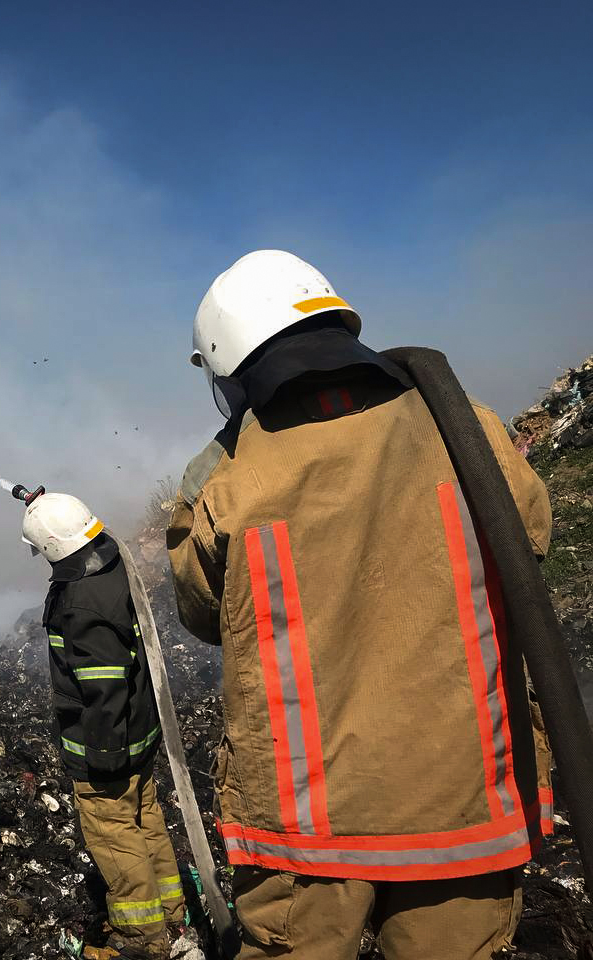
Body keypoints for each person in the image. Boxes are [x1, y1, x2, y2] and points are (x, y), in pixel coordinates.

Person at [168, 249, 554, 960]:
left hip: (306, 821)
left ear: (229, 363)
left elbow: (201, 613)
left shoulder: (230, 476)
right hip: (462, 798)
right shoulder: (468, 426)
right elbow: (530, 544)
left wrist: (185, 511)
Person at [23, 492, 186, 956]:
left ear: (53, 545)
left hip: (109, 745)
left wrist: (102, 758)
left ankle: (142, 936)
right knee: (146, 820)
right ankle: (172, 917)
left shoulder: (81, 603)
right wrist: (51, 505)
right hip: (140, 731)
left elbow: (103, 685)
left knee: (115, 838)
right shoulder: (111, 561)